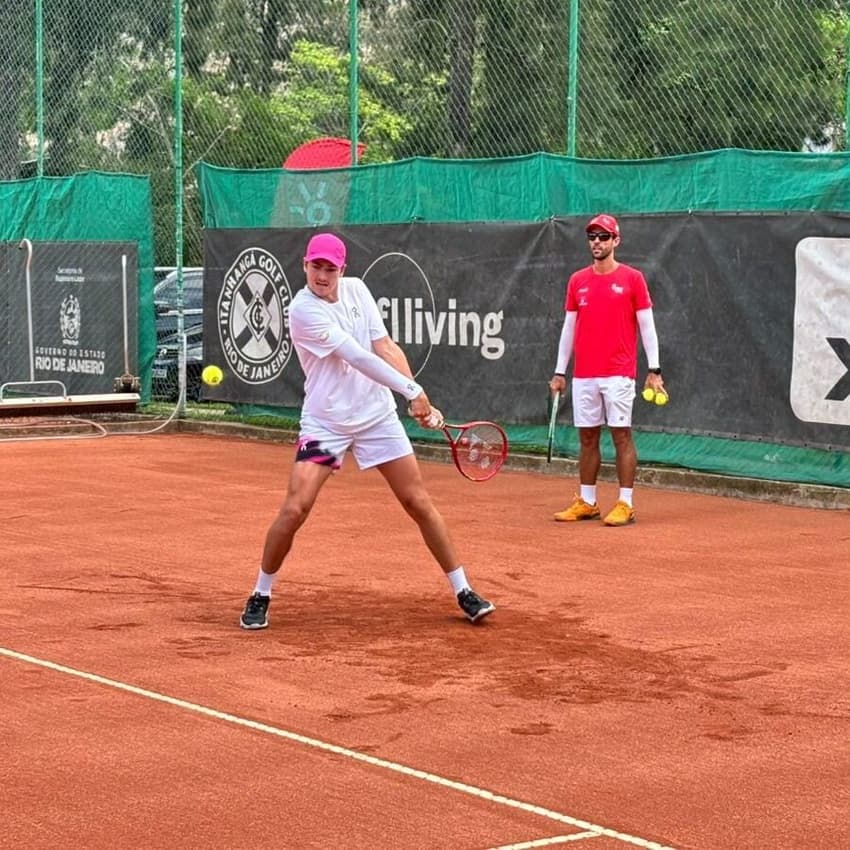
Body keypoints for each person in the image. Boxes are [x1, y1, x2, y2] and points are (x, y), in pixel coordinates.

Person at [239, 232, 495, 629]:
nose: (322, 275)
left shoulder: (358, 291)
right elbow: (355, 357)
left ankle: (463, 590)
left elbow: (385, 347)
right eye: (315, 267)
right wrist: (412, 391)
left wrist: (415, 398)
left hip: (377, 418)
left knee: (418, 502)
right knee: (295, 508)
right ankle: (261, 593)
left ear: (343, 270)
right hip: (327, 424)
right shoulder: (302, 310)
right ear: (304, 266)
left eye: (330, 269)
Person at [548, 214, 665, 526]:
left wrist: (654, 369)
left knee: (621, 436)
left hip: (619, 373)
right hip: (584, 374)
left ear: (616, 241)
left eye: (603, 237)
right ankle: (587, 501)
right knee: (587, 438)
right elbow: (568, 330)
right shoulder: (577, 281)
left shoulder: (633, 279)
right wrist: (560, 372)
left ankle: (625, 503)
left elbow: (648, 327)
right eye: (592, 237)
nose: (596, 242)